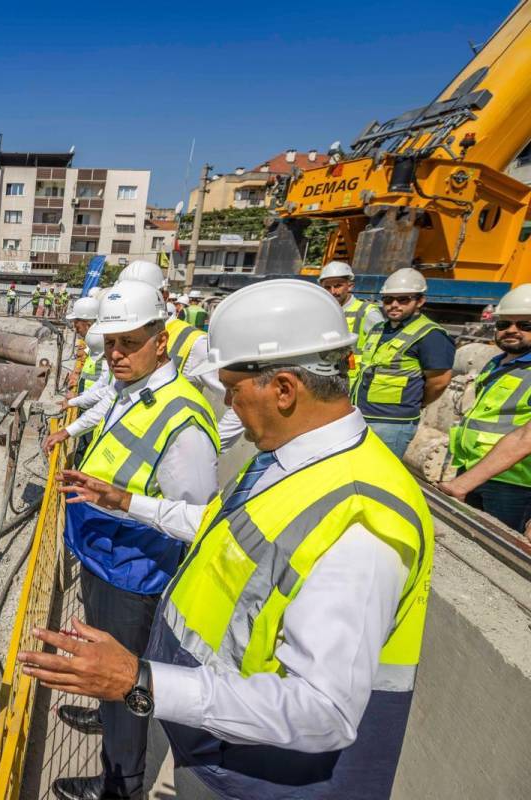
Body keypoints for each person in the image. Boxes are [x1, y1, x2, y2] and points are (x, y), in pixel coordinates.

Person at [22, 278, 434, 800]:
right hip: (213, 735)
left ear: (283, 387)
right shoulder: (289, 462)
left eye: (234, 391)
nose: (230, 410)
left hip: (256, 774)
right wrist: (127, 501)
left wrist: (141, 681)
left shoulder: (360, 519)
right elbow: (217, 525)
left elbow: (323, 712)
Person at [42, 281, 220, 800]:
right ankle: (107, 725)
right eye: (111, 342)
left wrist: (122, 502)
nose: (115, 354)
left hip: (134, 575)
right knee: (108, 679)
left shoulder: (184, 421)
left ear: (160, 341)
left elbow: (198, 519)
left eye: (129, 342)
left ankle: (120, 787)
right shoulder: (132, 389)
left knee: (126, 687)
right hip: (106, 559)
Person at [118, 260, 243, 447]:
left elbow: (241, 400)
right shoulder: (120, 336)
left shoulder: (194, 343)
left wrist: (208, 446)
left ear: (165, 296)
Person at [441, 284, 531, 531]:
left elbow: (526, 438)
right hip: (472, 469)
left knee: (495, 557)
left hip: (513, 485)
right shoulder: (497, 362)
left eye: (525, 325)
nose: (512, 331)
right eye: (504, 324)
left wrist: (463, 483)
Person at [352, 267, 455, 457]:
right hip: (361, 415)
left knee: (379, 477)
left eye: (403, 299)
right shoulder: (379, 329)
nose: (394, 305)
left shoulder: (430, 335)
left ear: (420, 301)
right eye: (388, 300)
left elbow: (439, 381)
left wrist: (417, 402)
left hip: (392, 424)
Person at [317, 260, 383, 384]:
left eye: (337, 286)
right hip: (326, 377)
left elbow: (381, 350)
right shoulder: (321, 311)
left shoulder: (366, 312)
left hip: (354, 380)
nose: (332, 292)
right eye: (327, 287)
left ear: (350, 286)